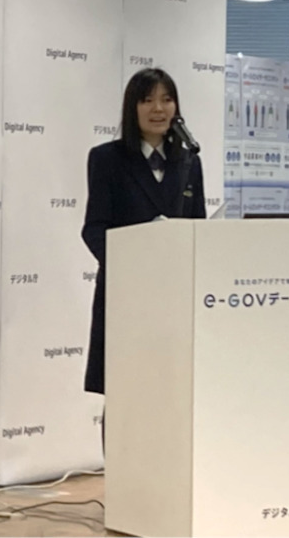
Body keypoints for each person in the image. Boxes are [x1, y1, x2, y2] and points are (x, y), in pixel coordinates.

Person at [81, 69, 207, 442]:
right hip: (127, 296)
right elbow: (94, 228)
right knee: (125, 390)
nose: (158, 109)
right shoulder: (108, 159)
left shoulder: (189, 161)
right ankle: (122, 472)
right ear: (132, 107)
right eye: (147, 100)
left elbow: (198, 226)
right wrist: (131, 263)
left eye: (167, 99)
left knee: (173, 388)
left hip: (176, 297)